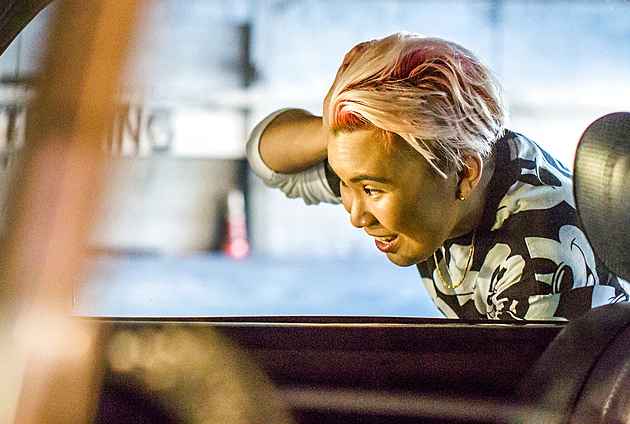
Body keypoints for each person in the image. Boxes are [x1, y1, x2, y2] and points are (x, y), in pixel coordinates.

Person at [248, 32, 627, 320]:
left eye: (370, 190)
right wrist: (334, 126)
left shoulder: (537, 266)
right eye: (345, 182)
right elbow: (268, 160)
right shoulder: (430, 162)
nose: (356, 215)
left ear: (465, 174)